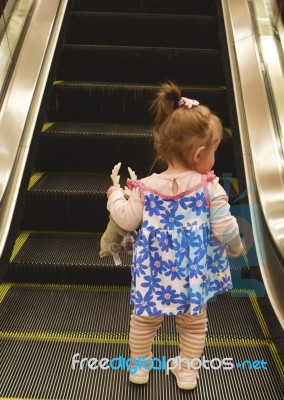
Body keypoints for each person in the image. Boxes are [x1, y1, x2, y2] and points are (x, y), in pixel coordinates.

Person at [106, 82, 243, 390]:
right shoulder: (210, 187)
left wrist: (115, 195)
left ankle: (140, 368)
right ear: (199, 153)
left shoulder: (145, 187)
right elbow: (226, 228)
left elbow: (126, 219)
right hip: (193, 275)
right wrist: (235, 248)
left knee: (144, 320)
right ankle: (187, 372)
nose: (215, 156)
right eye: (215, 149)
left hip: (154, 274)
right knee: (194, 325)